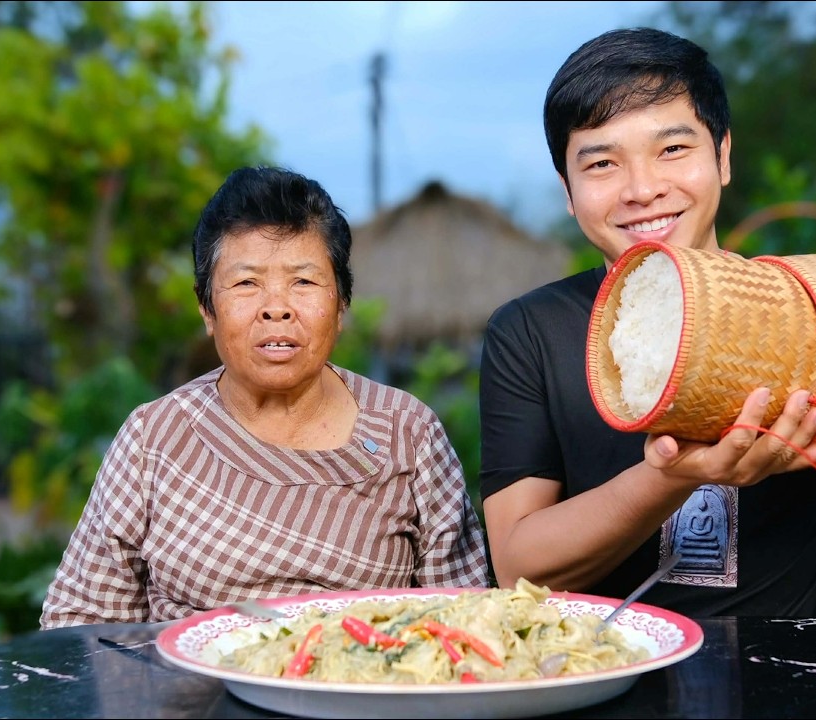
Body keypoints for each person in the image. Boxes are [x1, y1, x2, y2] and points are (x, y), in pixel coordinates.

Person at [477, 27, 816, 616]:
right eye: (602, 163)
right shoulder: (531, 332)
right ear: (567, 189)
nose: (642, 190)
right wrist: (670, 477)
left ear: (723, 156)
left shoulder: (804, 302)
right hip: (605, 659)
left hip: (779, 660)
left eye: (672, 149)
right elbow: (518, 568)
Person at [40, 166, 490, 628]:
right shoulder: (153, 438)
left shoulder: (408, 433)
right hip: (184, 676)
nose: (276, 308)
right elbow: (81, 622)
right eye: (246, 283)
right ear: (207, 309)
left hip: (364, 673)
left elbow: (466, 619)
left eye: (304, 282)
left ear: (341, 305)